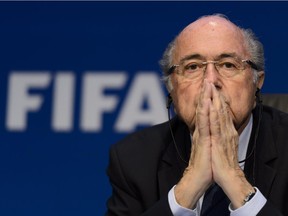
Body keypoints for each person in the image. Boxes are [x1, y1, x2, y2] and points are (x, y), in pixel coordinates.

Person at [106, 14, 288, 216]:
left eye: (228, 64)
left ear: (257, 81)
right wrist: (187, 188)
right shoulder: (135, 159)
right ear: (171, 87)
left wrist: (234, 179)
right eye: (192, 67)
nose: (210, 81)